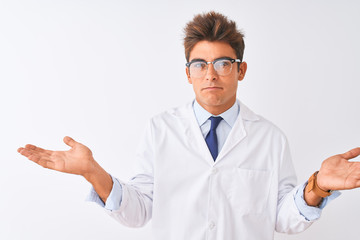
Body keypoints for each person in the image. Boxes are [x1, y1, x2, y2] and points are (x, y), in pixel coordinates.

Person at [17, 11, 360, 240]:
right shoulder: (160, 129)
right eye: (200, 64)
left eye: (224, 63)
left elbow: (283, 217)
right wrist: (93, 172)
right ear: (187, 73)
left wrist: (318, 187)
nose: (210, 74)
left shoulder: (269, 138)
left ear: (240, 70)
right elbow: (138, 212)